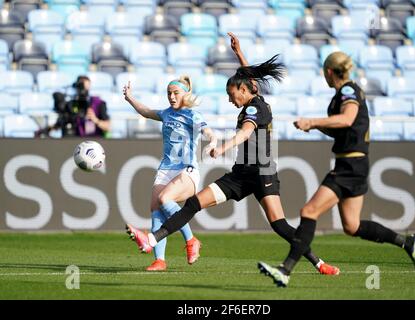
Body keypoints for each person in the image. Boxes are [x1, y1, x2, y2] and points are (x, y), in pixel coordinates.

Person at [125, 33, 340, 275]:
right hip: (240, 174)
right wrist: (238, 53)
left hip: (263, 173)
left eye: (231, 94)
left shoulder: (255, 108)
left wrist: (222, 147)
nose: (230, 100)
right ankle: (152, 240)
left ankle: (319, 263)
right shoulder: (253, 94)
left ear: (242, 90)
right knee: (193, 203)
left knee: (279, 225)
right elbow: (248, 77)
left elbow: (245, 133)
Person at [257, 51, 415, 287]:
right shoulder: (345, 92)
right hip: (355, 164)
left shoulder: (347, 92)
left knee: (309, 211)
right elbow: (343, 127)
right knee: (352, 226)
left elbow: (347, 119)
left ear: (329, 72)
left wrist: (313, 121)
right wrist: (316, 128)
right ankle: (408, 243)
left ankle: (285, 270)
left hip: (350, 165)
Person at [123, 75, 217, 271]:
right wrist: (129, 97)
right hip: (165, 169)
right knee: (156, 210)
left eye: (175, 93)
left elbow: (209, 132)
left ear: (185, 94)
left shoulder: (192, 115)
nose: (171, 97)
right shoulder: (166, 113)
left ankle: (191, 240)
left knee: (166, 199)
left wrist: (213, 142)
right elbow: (146, 112)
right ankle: (160, 260)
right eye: (169, 93)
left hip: (186, 170)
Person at [35, 75, 111, 138]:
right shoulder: (72, 104)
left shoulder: (98, 103)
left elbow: (108, 127)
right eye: (81, 87)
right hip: (77, 142)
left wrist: (95, 120)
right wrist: (45, 130)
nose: (83, 90)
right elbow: (62, 121)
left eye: (86, 88)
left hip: (95, 141)